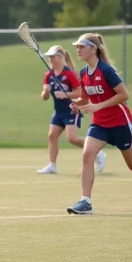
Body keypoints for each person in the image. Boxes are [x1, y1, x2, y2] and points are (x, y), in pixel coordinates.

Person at [66, 34, 132, 215]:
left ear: (93, 49)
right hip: (99, 124)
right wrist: (78, 104)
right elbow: (85, 97)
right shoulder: (83, 73)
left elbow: (124, 94)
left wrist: (98, 105)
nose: (78, 50)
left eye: (82, 46)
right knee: (87, 155)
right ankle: (86, 202)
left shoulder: (106, 70)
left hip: (120, 123)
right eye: (77, 47)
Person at [37, 45, 106, 174]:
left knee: (72, 138)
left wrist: (65, 94)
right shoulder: (48, 75)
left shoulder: (69, 73)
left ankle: (98, 152)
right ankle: (52, 165)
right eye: (49, 57)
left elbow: (80, 92)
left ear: (60, 57)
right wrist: (46, 92)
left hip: (71, 110)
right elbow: (44, 97)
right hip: (58, 112)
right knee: (52, 136)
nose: (50, 59)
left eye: (53, 57)